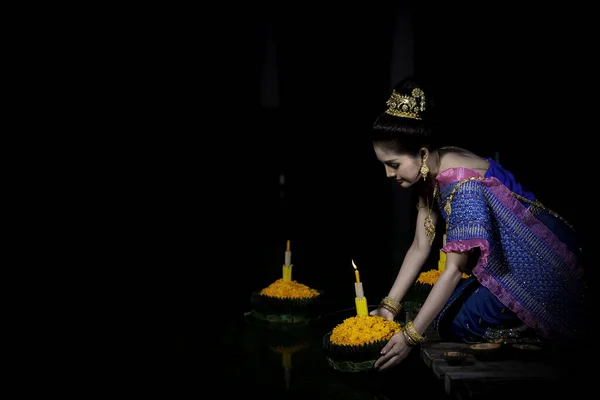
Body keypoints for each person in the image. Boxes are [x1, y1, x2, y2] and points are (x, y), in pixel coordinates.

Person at [369, 76, 585, 371]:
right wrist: (387, 307)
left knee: (453, 323)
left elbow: (455, 269)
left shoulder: (460, 183)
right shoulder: (432, 163)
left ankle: (537, 328)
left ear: (421, 154)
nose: (387, 174)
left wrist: (410, 337)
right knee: (438, 309)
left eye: (393, 164)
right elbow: (420, 245)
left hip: (540, 261)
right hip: (510, 257)